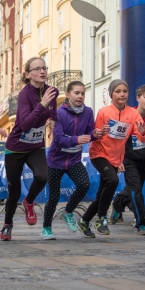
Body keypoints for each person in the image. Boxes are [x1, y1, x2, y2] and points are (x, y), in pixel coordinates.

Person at [78, 79, 145, 236]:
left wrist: (143, 132)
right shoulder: (104, 112)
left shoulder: (133, 113)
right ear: (111, 94)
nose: (122, 94)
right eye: (118, 91)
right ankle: (102, 217)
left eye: (124, 91)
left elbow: (143, 138)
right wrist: (99, 132)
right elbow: (95, 134)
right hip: (99, 153)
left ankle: (84, 221)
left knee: (102, 193)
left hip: (115, 157)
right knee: (113, 181)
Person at [0, 57, 59, 241]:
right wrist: (42, 105)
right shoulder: (24, 95)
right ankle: (8, 224)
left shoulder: (52, 92)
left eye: (44, 68)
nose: (42, 71)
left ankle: (29, 201)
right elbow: (25, 125)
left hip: (36, 146)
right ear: (28, 74)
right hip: (16, 147)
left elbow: (53, 114)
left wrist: (53, 127)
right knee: (14, 192)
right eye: (37, 69)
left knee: (42, 176)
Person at [41, 81, 105, 239]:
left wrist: (96, 134)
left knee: (84, 184)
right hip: (56, 160)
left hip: (74, 160)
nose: (80, 96)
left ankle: (68, 211)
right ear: (68, 95)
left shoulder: (88, 112)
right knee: (54, 196)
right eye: (76, 93)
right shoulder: (59, 113)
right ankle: (47, 228)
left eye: (82, 93)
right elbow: (58, 139)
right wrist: (78, 139)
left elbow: (89, 132)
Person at [110, 84, 145, 235]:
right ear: (138, 98)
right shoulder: (128, 116)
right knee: (136, 190)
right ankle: (141, 224)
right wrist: (118, 159)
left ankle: (117, 204)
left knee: (132, 189)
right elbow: (117, 140)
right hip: (129, 159)